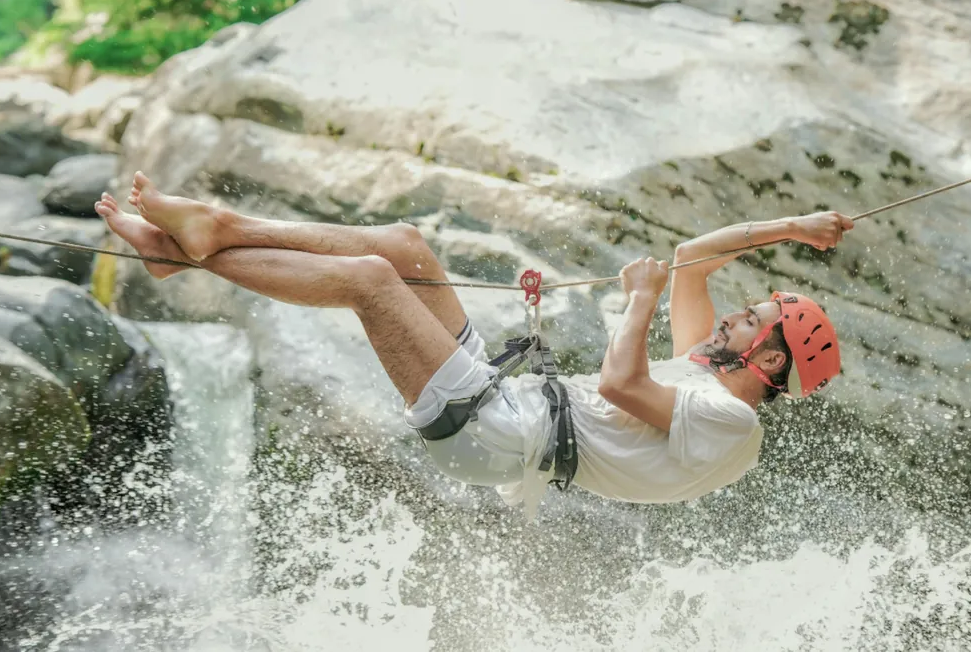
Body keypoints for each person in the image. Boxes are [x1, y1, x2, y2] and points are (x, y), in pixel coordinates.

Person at [95, 173, 853, 516]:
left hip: (496, 439)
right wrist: (789, 227)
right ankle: (206, 237)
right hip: (509, 400)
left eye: (752, 319)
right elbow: (692, 258)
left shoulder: (732, 424)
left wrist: (640, 301)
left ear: (773, 359)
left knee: (369, 279)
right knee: (405, 248)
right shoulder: (704, 370)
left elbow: (623, 386)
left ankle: (196, 248)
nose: (732, 317)